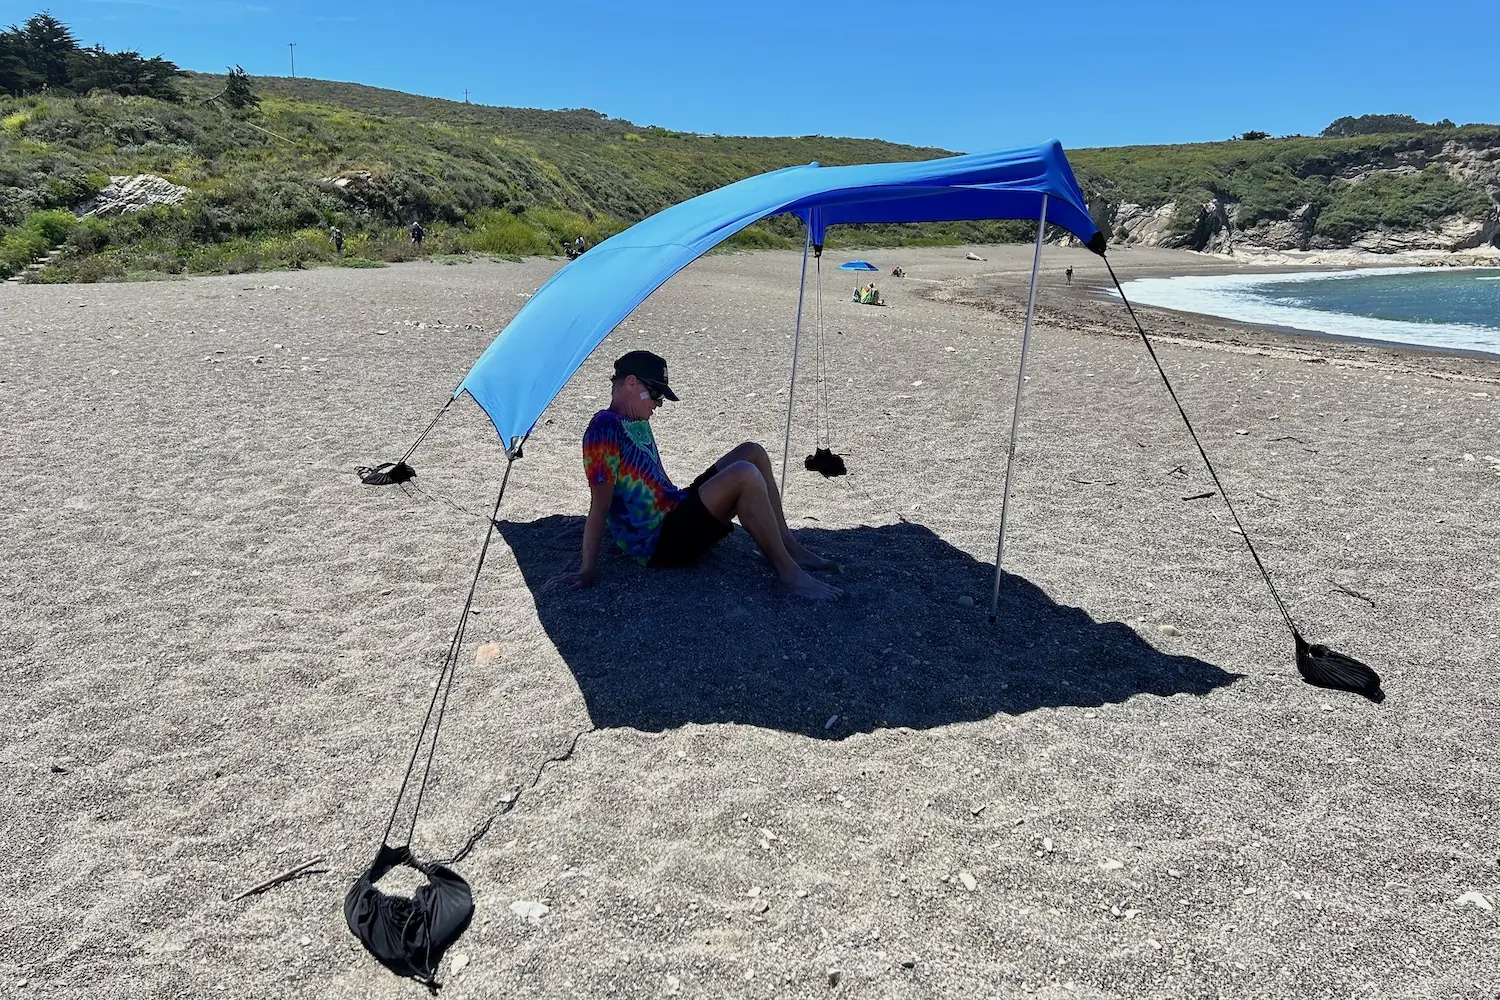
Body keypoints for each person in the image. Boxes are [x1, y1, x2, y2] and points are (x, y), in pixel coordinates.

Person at [547, 350, 842, 601]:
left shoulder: (633, 418)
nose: (657, 405)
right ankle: (789, 574)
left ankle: (789, 545)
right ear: (631, 383)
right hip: (658, 542)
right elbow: (600, 503)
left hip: (673, 510)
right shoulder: (604, 428)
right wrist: (587, 570)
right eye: (655, 395)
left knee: (752, 452)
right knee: (744, 474)